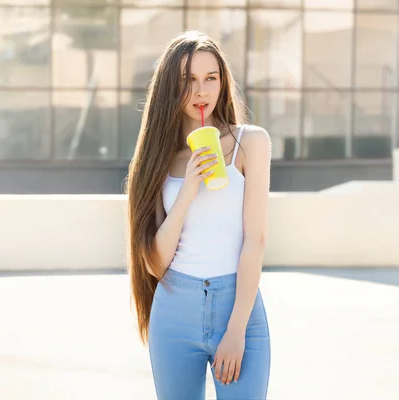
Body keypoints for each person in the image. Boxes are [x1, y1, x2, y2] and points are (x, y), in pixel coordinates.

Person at [125, 30, 272, 400]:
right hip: (175, 310)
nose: (202, 91)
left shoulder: (250, 143)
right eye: (188, 80)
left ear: (223, 82)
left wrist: (236, 330)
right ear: (170, 88)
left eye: (211, 78)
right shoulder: (156, 160)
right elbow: (156, 265)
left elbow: (256, 240)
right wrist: (188, 189)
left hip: (238, 309)